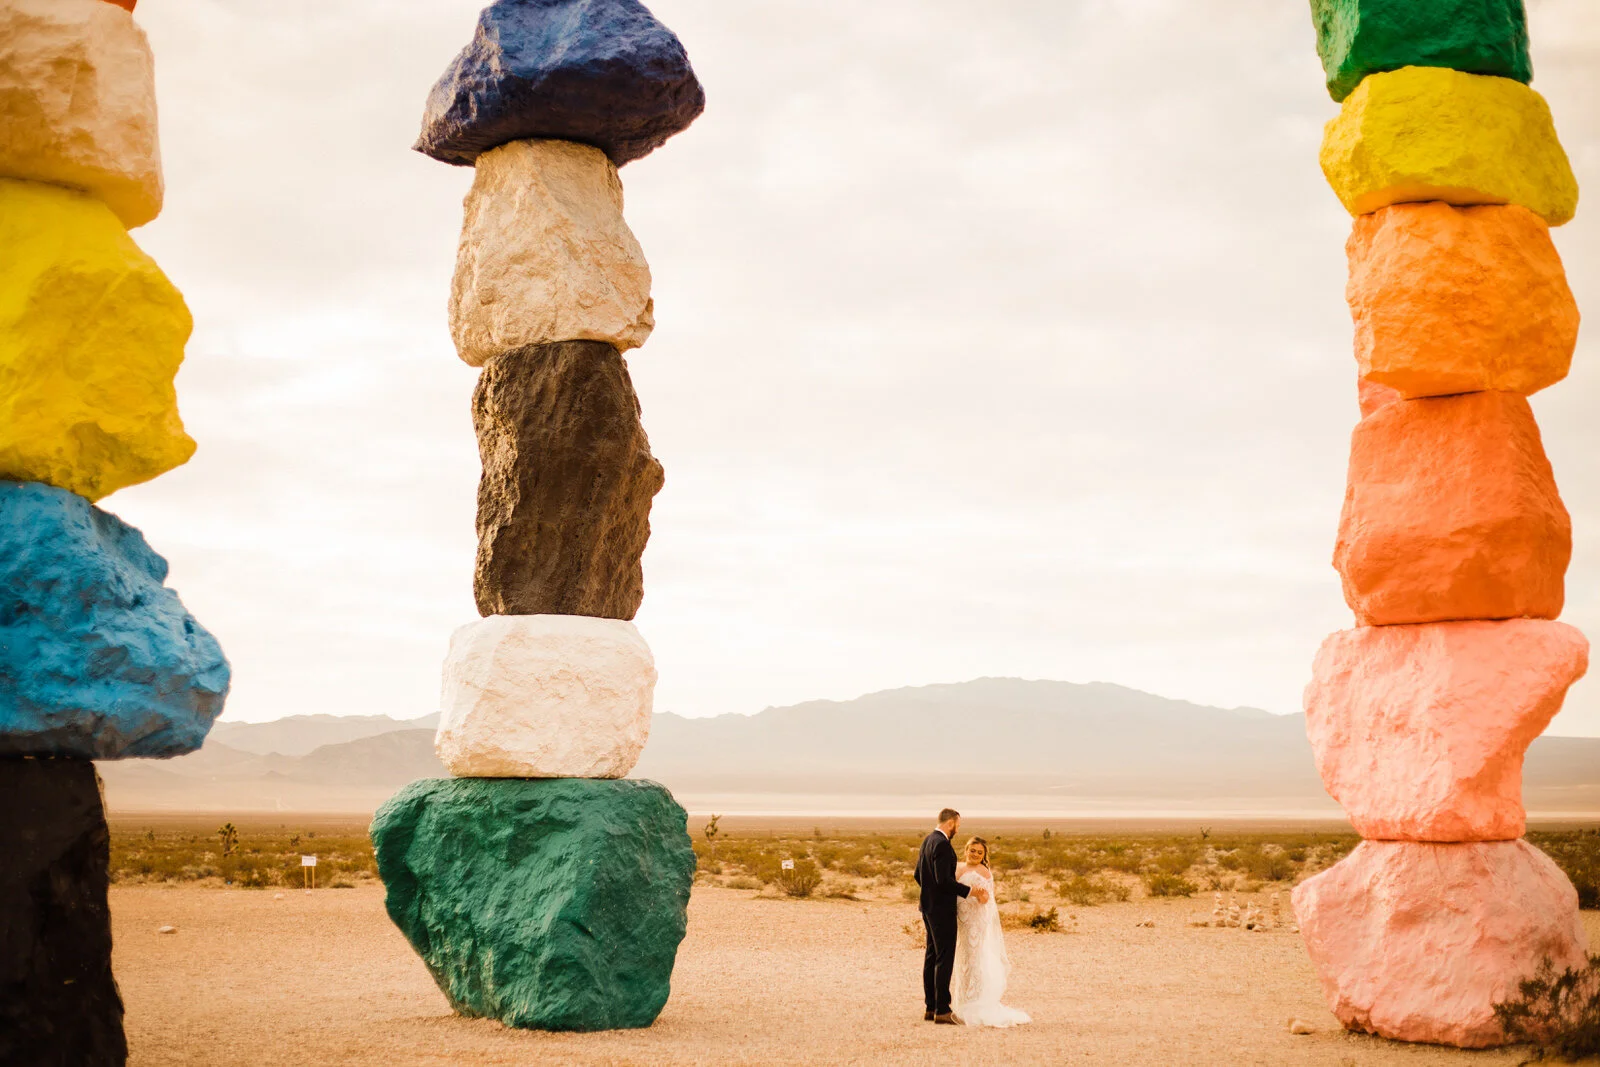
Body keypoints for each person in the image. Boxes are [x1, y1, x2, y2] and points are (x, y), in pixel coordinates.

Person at [913, 808, 988, 1024]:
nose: (958, 829)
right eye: (958, 825)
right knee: (944, 958)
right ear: (951, 823)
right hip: (942, 910)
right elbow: (943, 881)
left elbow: (918, 874)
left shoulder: (928, 840)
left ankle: (930, 1007)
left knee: (931, 956)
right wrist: (970, 892)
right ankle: (943, 1010)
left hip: (927, 907)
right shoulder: (943, 845)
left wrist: (929, 895)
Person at [952, 837, 1032, 1027]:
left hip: (976, 921)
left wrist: (981, 895)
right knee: (961, 958)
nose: (976, 855)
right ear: (966, 850)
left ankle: (974, 1002)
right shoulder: (956, 868)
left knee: (974, 958)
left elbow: (987, 900)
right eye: (973, 850)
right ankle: (961, 1000)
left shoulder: (984, 872)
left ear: (983, 856)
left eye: (980, 853)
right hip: (960, 919)